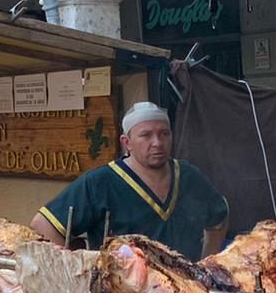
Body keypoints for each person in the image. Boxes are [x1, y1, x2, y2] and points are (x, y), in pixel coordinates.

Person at [28, 102, 229, 260]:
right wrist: (77, 272)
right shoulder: (100, 182)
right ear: (127, 143)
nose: (157, 143)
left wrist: (206, 263)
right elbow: (43, 225)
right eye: (146, 135)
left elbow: (219, 218)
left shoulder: (188, 176)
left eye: (164, 134)